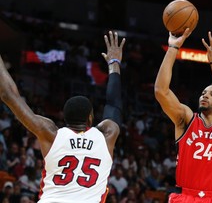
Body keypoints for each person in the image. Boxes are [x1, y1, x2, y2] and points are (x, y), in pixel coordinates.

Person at [0, 31, 125, 203]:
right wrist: (114, 63)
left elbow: (8, 95)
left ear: (64, 120)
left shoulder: (51, 133)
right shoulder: (107, 136)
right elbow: (113, 104)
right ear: (90, 117)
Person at [154, 29, 212, 202]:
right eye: (203, 93)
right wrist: (173, 48)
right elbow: (160, 91)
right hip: (185, 196)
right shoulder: (186, 119)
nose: (205, 95)